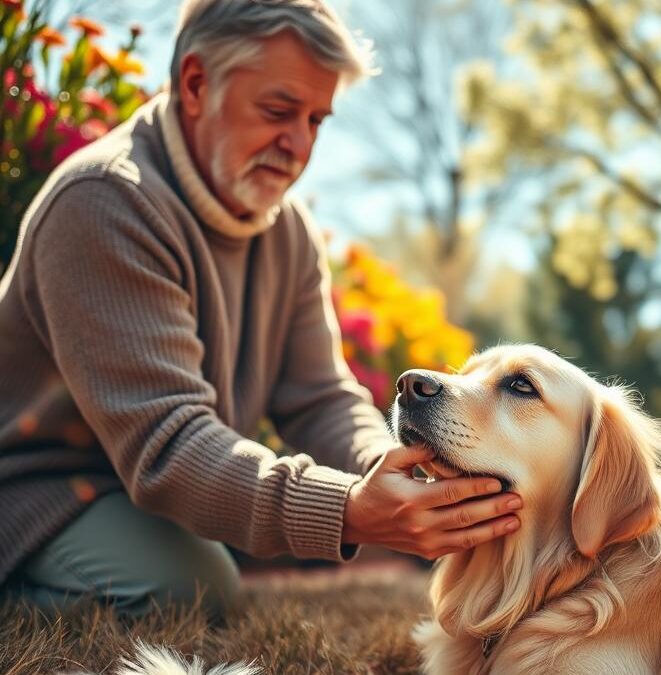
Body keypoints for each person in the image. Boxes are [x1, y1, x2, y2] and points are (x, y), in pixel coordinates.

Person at [0, 0, 522, 617]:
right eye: (278, 111)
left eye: (316, 121)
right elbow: (169, 447)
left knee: (198, 574)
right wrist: (350, 511)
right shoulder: (105, 204)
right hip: (36, 493)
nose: (299, 145)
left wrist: (392, 470)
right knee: (191, 591)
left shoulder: (286, 230)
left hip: (129, 498)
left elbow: (320, 398)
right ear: (195, 84)